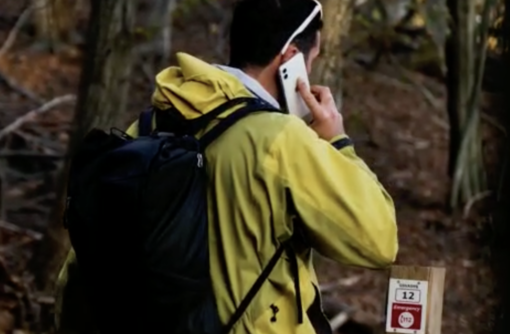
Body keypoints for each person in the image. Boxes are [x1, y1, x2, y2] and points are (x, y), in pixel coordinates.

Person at [54, 0, 398, 333]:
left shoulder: (149, 125)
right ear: (290, 59)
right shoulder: (280, 139)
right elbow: (378, 241)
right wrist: (338, 143)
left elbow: (80, 265)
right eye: (312, 60)